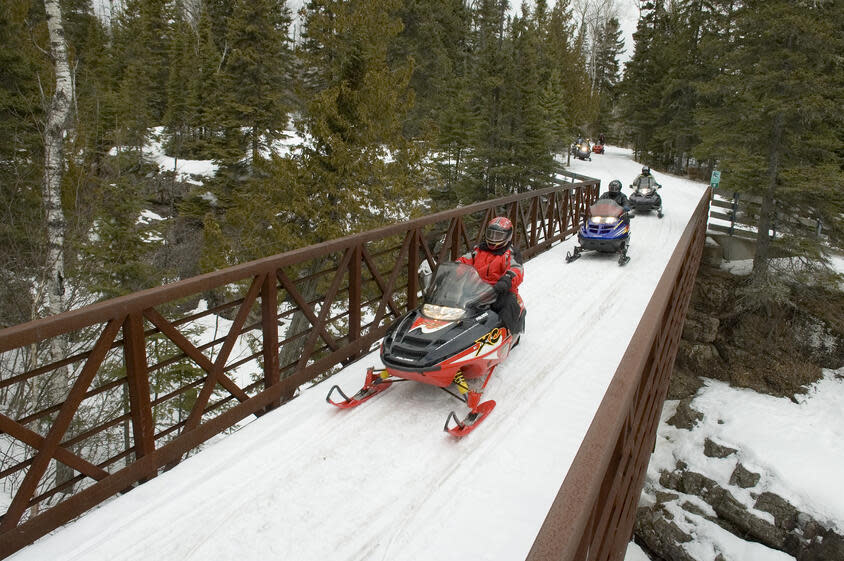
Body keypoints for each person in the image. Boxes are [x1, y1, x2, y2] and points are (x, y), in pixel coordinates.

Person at [457, 217, 524, 336]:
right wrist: (454, 268)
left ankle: (506, 332)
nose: (493, 239)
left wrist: (506, 280)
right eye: (491, 234)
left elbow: (516, 269)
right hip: (477, 288)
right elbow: (464, 260)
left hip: (500, 291)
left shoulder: (510, 253)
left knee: (507, 304)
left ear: (507, 236)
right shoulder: (478, 250)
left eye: (498, 236)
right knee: (456, 300)